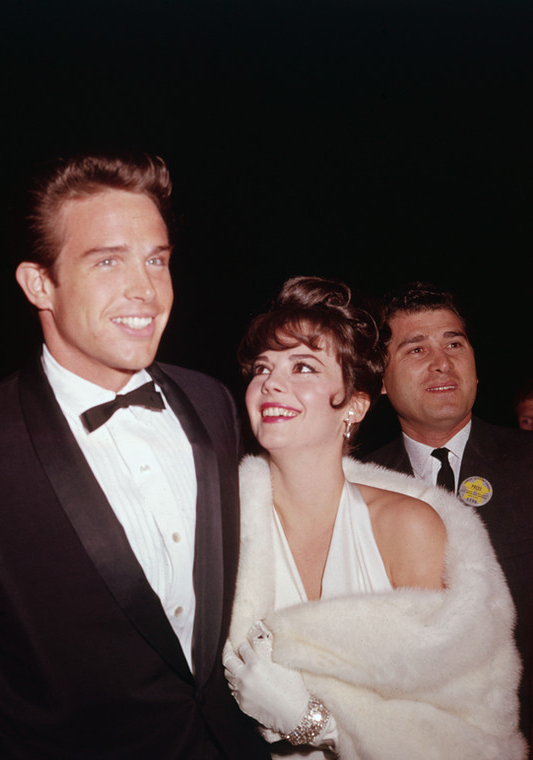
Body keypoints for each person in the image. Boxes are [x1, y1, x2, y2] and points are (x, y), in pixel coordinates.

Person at [0, 152, 269, 759]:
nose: (146, 290)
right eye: (108, 261)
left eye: (156, 259)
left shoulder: (212, 403)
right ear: (38, 283)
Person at [223, 277, 525, 759]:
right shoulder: (222, 523)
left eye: (302, 366)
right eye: (262, 367)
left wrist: (312, 722)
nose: (271, 383)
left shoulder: (408, 525)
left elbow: (454, 732)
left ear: (357, 403)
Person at [363, 281, 533, 746]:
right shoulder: (360, 486)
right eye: (416, 349)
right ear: (380, 378)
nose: (442, 362)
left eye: (454, 343)